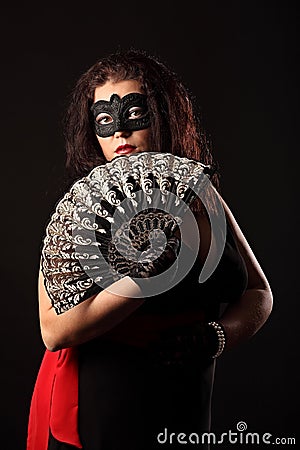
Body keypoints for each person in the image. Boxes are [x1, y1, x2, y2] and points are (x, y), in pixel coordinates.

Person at [26, 48, 273, 450]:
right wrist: (142, 279)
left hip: (187, 400)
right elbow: (53, 332)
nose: (120, 132)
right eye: (105, 120)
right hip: (107, 404)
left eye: (134, 114)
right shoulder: (86, 213)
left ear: (163, 114)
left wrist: (217, 336)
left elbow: (259, 293)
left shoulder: (200, 193)